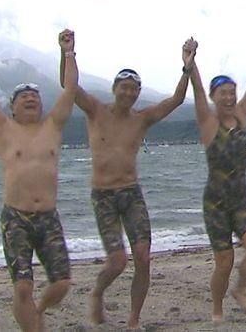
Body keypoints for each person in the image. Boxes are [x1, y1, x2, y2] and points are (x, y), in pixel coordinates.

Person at [63, 39, 195, 329]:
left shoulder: (142, 118)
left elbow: (175, 100)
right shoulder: (96, 110)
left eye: (134, 88)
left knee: (144, 258)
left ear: (137, 93)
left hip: (131, 194)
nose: (128, 92)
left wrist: (187, 65)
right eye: (123, 86)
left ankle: (134, 320)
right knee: (117, 262)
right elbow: (69, 86)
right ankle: (97, 292)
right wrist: (68, 53)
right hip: (103, 196)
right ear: (114, 88)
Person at [0, 29, 79, 332]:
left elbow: (70, 89)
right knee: (22, 288)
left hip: (48, 217)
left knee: (62, 282)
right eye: (23, 96)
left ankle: (38, 313)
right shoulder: (2, 129)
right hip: (15, 217)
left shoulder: (53, 127)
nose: (30, 98)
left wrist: (68, 52)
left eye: (35, 95)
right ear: (13, 107)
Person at [187, 37, 246, 322]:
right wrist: (190, 60)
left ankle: (240, 289)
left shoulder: (241, 115)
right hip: (215, 203)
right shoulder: (208, 122)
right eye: (223, 93)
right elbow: (197, 88)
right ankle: (217, 308)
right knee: (224, 262)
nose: (229, 97)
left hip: (241, 199)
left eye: (231, 92)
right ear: (214, 96)